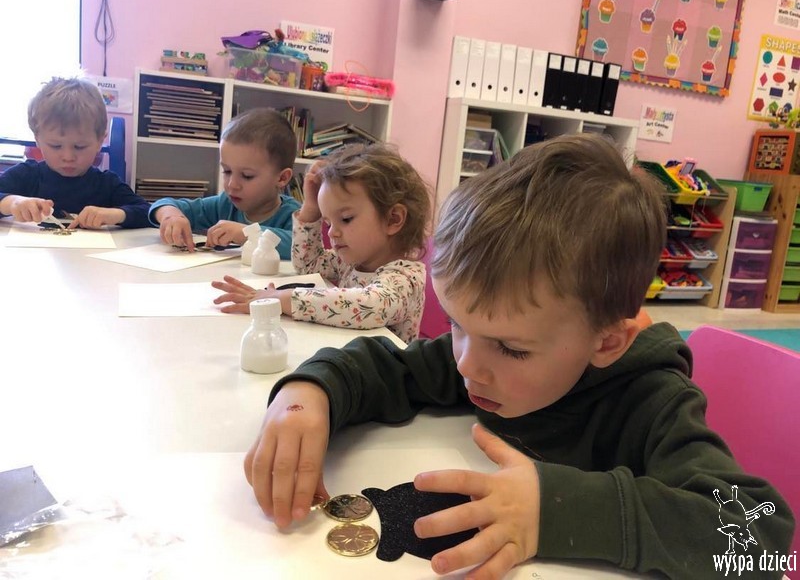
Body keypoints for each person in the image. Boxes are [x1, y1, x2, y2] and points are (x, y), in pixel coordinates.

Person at [241, 134, 794, 579]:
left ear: (606, 342)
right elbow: (388, 365)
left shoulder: (653, 402)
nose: (465, 364)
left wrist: (555, 509)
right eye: (456, 325)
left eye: (511, 348)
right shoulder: (481, 354)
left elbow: (759, 542)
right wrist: (307, 394)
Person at [212, 142, 431, 343]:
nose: (332, 232)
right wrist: (310, 209)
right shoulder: (351, 261)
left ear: (393, 219)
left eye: (346, 219)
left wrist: (283, 298)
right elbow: (308, 264)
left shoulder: (405, 278)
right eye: (328, 222)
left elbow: (370, 305)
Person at [0, 77, 150, 229]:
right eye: (56, 146)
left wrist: (116, 215)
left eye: (80, 147)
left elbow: (147, 213)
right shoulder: (26, 175)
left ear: (99, 141)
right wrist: (12, 203)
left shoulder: (107, 184)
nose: (68, 157)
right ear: (37, 139)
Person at [149, 107, 300, 256]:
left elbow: (302, 246)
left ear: (282, 178)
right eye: (227, 171)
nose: (231, 184)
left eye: (247, 176)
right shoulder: (224, 205)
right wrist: (171, 216)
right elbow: (164, 204)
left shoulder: (297, 216)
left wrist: (245, 233)